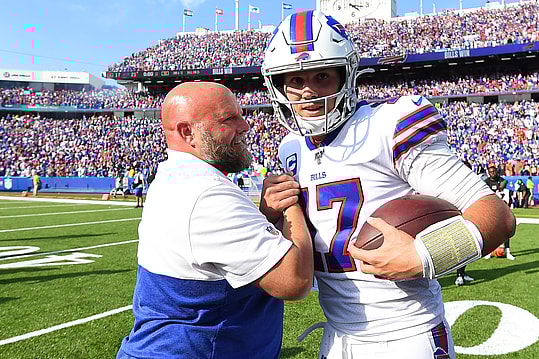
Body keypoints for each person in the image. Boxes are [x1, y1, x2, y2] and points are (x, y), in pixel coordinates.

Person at [261, 10, 515, 359]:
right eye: (295, 79)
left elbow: (496, 216)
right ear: (278, 86)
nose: (307, 92)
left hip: (407, 334)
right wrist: (272, 215)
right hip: (336, 337)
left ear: (345, 75)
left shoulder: (388, 124)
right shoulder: (290, 148)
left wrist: (424, 255)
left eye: (321, 76)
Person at [117, 82, 313, 359]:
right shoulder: (207, 193)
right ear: (188, 132)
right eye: (229, 119)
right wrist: (291, 201)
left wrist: (267, 216)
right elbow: (294, 281)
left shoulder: (176, 175)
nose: (245, 126)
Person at [483, 164, 515, 260]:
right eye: (490, 172)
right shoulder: (486, 182)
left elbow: (505, 187)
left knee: (505, 230)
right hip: (491, 208)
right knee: (490, 230)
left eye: (494, 171)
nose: (492, 173)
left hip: (502, 208)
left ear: (496, 172)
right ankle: (489, 251)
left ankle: (507, 251)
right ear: (488, 173)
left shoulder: (502, 181)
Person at [455, 160, 475, 286]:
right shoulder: (453, 182)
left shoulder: (471, 183)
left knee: (466, 246)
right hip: (454, 216)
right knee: (457, 247)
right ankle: (458, 275)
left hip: (466, 216)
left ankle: (461, 273)